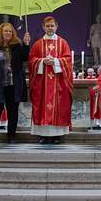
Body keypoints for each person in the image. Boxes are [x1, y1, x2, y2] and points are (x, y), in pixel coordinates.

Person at [28, 16, 74, 144]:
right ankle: (43, 135)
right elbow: (31, 60)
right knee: (41, 106)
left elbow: (68, 60)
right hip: (42, 83)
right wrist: (42, 61)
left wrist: (55, 61)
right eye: (47, 26)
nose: (50, 28)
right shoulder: (38, 44)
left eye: (52, 26)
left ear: (56, 27)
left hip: (59, 83)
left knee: (60, 108)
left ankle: (57, 135)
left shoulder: (63, 43)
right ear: (43, 27)